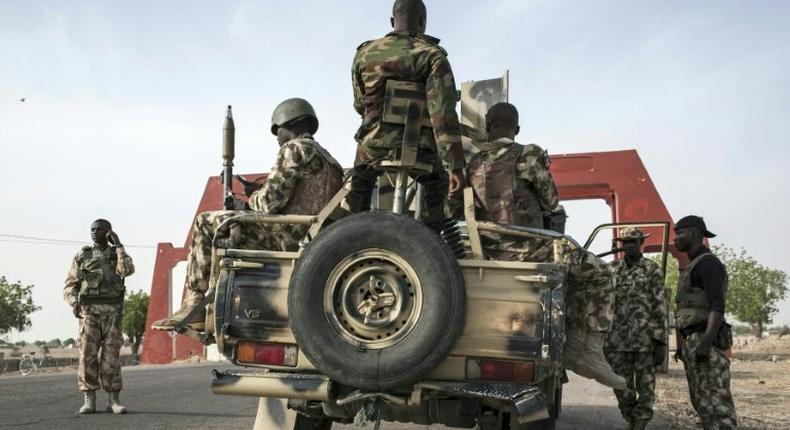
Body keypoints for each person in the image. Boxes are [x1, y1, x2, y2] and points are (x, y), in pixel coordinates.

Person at [466, 102, 626, 390]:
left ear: (487, 127)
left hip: (487, 251)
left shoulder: (471, 163)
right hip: (530, 249)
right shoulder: (526, 154)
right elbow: (551, 201)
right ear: (516, 129)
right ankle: (585, 350)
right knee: (601, 273)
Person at [151, 98, 343, 331]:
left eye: (278, 132)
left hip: (284, 238)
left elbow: (268, 204)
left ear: (287, 123)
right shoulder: (330, 161)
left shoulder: (294, 149)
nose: (277, 138)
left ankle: (194, 305)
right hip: (309, 236)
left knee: (205, 222)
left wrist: (252, 199)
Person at [344, 0, 465, 231]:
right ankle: (431, 239)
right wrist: (454, 167)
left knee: (358, 192)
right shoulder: (433, 56)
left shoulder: (364, 54)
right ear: (423, 22)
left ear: (392, 21)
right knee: (438, 193)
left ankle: (352, 232)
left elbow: (360, 105)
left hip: (373, 149)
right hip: (423, 151)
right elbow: (443, 115)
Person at [673, 215, 737, 430]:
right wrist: (682, 346)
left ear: (694, 234)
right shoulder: (693, 266)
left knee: (717, 404)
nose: (676, 239)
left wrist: (706, 342)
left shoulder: (708, 264)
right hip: (695, 340)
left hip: (705, 340)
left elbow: (717, 305)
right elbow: (685, 311)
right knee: (703, 402)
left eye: (679, 233)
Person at [64, 219, 133, 414]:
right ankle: (89, 398)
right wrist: (74, 302)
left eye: (99, 229)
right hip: (89, 312)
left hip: (113, 312)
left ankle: (113, 400)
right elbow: (70, 284)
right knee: (87, 355)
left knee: (111, 357)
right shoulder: (82, 256)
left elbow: (127, 270)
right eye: (92, 229)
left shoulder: (116, 254)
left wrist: (118, 245)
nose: (94, 232)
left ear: (108, 231)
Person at [604, 227, 668, 430]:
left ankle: (640, 422)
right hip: (616, 341)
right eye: (626, 242)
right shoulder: (611, 270)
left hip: (645, 341)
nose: (629, 245)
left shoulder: (652, 270)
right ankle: (631, 417)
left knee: (646, 387)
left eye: (633, 241)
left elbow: (660, 306)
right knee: (621, 386)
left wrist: (660, 341)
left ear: (641, 243)